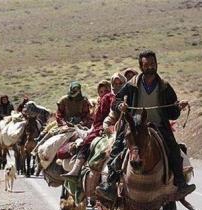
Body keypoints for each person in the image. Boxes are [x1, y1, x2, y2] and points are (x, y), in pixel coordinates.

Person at [96, 50, 195, 201]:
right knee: (117, 148)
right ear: (141, 66)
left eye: (152, 64)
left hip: (159, 125)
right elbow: (116, 101)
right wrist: (120, 105)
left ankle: (180, 184)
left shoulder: (165, 86)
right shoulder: (132, 84)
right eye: (146, 65)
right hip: (135, 125)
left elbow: (172, 114)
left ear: (156, 64)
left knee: (174, 149)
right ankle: (110, 185)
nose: (150, 67)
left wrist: (178, 107)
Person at [62, 80, 115, 179]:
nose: (103, 93)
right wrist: (64, 123)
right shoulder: (64, 100)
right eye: (101, 91)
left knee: (87, 141)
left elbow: (93, 116)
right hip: (83, 125)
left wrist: (87, 123)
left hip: (106, 126)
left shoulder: (109, 98)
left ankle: (76, 169)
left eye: (106, 90)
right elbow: (59, 114)